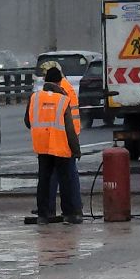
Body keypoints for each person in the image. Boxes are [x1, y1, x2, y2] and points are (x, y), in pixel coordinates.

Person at [26, 65, 83, 225]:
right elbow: (70, 130)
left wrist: (41, 130)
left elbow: (27, 121)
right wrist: (76, 150)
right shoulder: (63, 100)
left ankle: (43, 215)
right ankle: (69, 214)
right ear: (59, 82)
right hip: (60, 146)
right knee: (66, 181)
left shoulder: (35, 98)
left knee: (44, 180)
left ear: (45, 81)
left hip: (42, 146)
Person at [42, 60, 85, 208]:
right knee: (64, 173)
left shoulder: (60, 90)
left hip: (64, 135)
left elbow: (62, 117)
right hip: (63, 134)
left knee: (64, 174)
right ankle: (71, 207)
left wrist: (75, 147)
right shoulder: (64, 87)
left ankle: (66, 207)